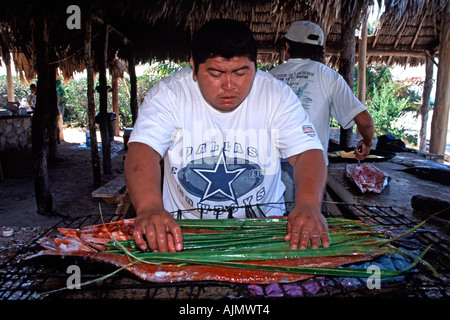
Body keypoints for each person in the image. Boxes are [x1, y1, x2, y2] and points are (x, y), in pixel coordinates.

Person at [125, 19, 329, 254]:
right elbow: (144, 150)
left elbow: (307, 152)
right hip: (184, 234)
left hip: (263, 233)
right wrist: (149, 207)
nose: (229, 85)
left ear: (255, 66)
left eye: (241, 72)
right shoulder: (169, 94)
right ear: (194, 67)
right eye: (216, 73)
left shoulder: (277, 95)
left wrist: (308, 204)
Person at [269, 21, 375, 210]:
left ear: (287, 46)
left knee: (272, 226)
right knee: (307, 230)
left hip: (269, 168)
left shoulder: (270, 77)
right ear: (319, 50)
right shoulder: (329, 76)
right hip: (308, 169)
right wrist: (367, 142)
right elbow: (365, 122)